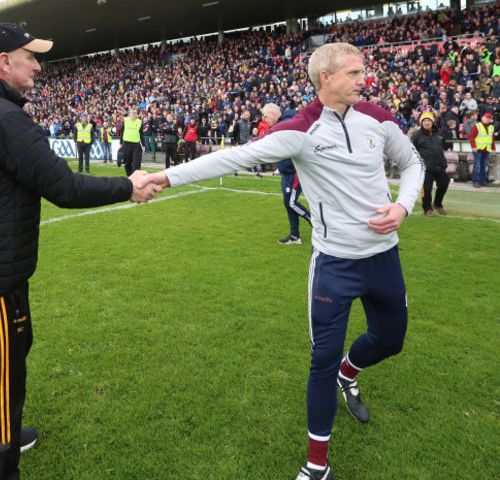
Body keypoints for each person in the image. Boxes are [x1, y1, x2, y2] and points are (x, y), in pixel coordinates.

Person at [141, 43, 424, 480]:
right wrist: (165, 176)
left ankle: (349, 374)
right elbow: (233, 156)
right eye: (353, 72)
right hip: (334, 264)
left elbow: (413, 163)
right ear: (324, 78)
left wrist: (403, 206)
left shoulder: (378, 117)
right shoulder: (300, 129)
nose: (363, 79)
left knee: (391, 341)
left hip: (384, 258)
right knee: (321, 359)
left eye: (362, 71)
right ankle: (316, 467)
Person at [0, 23, 160, 480]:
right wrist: (127, 187)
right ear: (4, 62)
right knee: (5, 373)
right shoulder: (3, 117)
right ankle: (1, 468)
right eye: (30, 57)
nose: (38, 66)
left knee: (14, 350)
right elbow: (65, 186)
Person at [262, 103, 312, 244]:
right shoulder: (282, 124)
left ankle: (316, 223)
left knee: (291, 203)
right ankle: (295, 236)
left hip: (294, 171)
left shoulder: (286, 124)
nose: (265, 120)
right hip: (286, 171)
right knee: (288, 203)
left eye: (266, 116)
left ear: (272, 114)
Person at [411, 112, 449, 216]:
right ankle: (427, 209)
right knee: (426, 190)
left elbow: (444, 146)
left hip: (440, 165)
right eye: (424, 121)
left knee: (444, 185)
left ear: (432, 122)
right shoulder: (416, 135)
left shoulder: (439, 133)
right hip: (426, 167)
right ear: (421, 122)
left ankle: (437, 204)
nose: (426, 123)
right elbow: (411, 150)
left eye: (428, 121)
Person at [469, 112, 496, 187]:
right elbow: (471, 137)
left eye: (489, 118)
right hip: (478, 150)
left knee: (484, 166)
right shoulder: (477, 126)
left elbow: (492, 139)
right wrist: (473, 147)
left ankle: (482, 181)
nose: (488, 119)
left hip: (486, 150)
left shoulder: (491, 127)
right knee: (477, 166)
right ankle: (475, 182)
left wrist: (493, 148)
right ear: (482, 118)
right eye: (486, 118)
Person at [119, 107, 144, 176]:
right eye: (132, 113)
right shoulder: (125, 121)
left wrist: (143, 145)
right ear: (130, 113)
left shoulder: (139, 122)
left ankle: (135, 178)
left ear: (137, 114)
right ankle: (130, 176)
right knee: (127, 164)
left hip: (136, 144)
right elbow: (122, 132)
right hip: (126, 144)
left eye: (135, 113)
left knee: (136, 163)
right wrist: (121, 143)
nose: (133, 114)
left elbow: (141, 134)